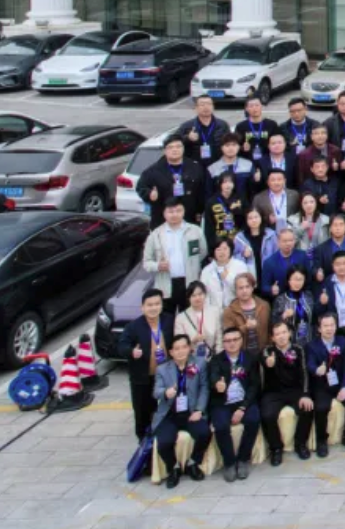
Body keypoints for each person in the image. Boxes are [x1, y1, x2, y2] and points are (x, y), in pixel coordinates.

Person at [152, 332, 210, 488]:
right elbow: (156, 391)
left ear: (190, 348)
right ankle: (174, 468)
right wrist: (166, 392)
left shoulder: (199, 364)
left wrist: (199, 410)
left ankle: (193, 463)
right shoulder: (162, 369)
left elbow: (204, 388)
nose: (181, 351)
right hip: (170, 413)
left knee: (204, 433)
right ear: (171, 352)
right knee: (164, 442)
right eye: (176, 349)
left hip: (190, 412)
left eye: (184, 347)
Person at [206, 323, 262, 482]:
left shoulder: (250, 358)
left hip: (244, 401)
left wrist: (243, 407)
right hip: (223, 402)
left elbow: (254, 385)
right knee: (221, 426)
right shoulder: (216, 360)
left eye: (235, 339)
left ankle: (243, 459)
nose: (231, 343)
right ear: (223, 343)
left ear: (241, 340)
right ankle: (229, 462)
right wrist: (218, 385)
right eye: (228, 341)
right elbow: (213, 377)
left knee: (253, 420)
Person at [257, 320, 314, 466]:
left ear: (289, 333)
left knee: (307, 408)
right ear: (272, 338)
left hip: (294, 390)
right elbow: (265, 361)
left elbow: (304, 372)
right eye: (277, 334)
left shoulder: (298, 349)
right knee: (267, 415)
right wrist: (269, 363)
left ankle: (300, 444)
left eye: (284, 332)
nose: (281, 336)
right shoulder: (267, 351)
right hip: (273, 392)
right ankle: (276, 449)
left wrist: (305, 394)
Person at [119, 288, 173, 441]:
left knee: (167, 408)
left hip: (166, 376)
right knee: (143, 411)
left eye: (157, 304)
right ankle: (143, 440)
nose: (154, 308)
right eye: (150, 305)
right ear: (142, 307)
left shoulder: (169, 320)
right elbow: (121, 346)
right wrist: (131, 352)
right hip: (143, 377)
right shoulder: (133, 327)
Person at [304, 311, 345, 455]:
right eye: (325, 326)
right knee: (321, 407)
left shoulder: (343, 342)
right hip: (322, 385)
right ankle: (321, 441)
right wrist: (317, 370)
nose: (329, 328)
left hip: (340, 383)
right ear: (319, 328)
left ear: (336, 326)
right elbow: (310, 364)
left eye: (332, 325)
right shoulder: (311, 346)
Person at [142, 199, 206, 314]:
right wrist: (157, 266)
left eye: (178, 211)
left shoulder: (195, 231)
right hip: (166, 283)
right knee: (167, 319)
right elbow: (146, 262)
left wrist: (192, 264)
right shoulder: (156, 235)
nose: (174, 214)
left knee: (189, 318)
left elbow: (202, 252)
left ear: (184, 211)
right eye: (171, 211)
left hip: (189, 282)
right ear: (164, 213)